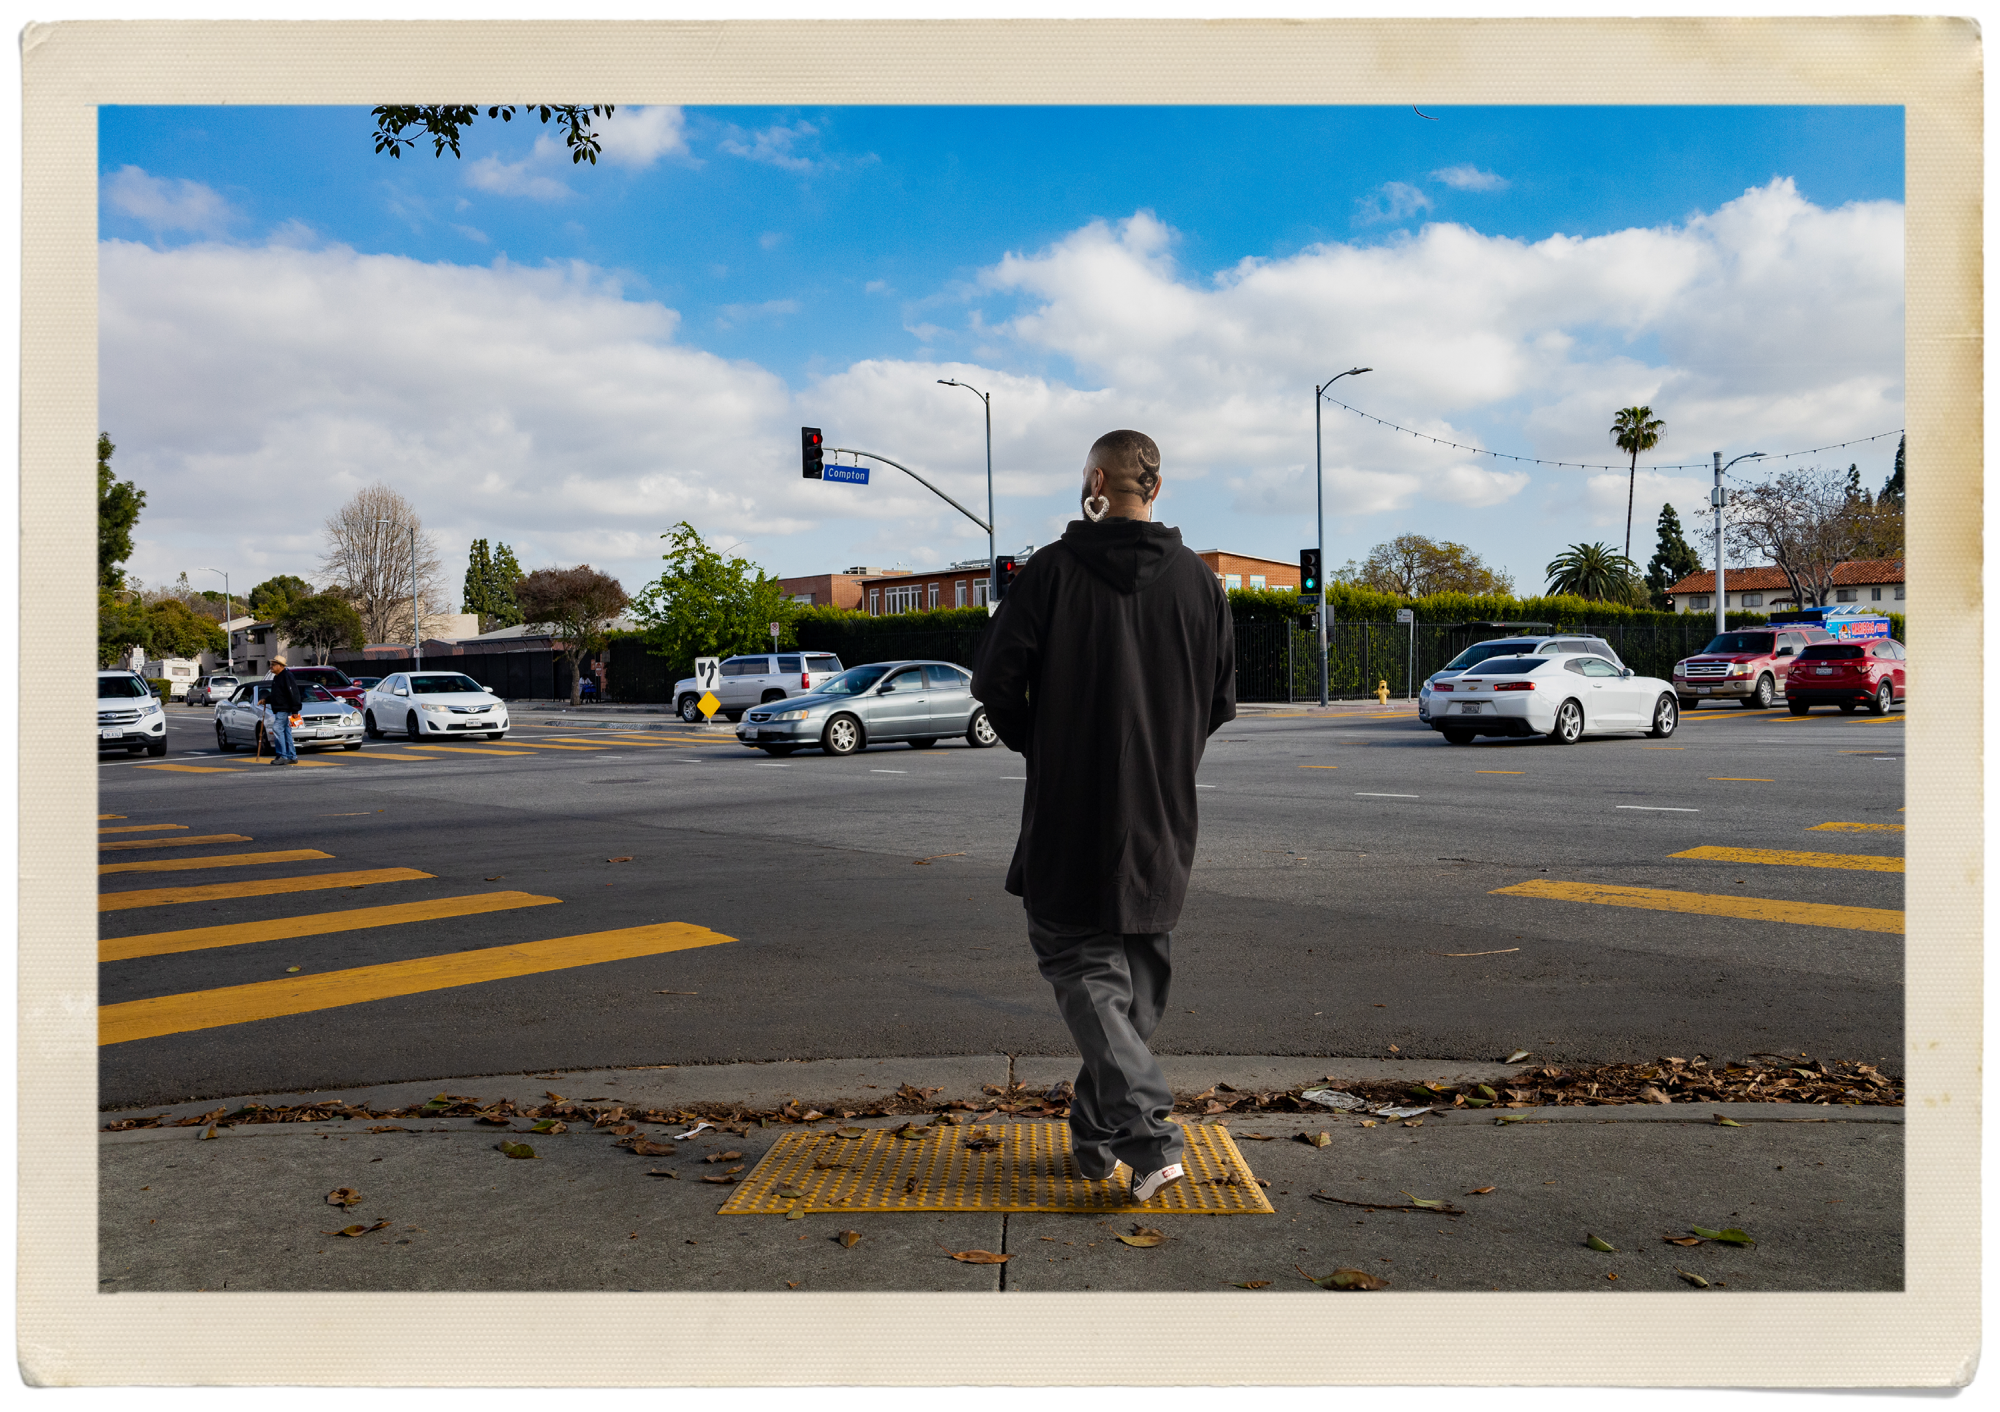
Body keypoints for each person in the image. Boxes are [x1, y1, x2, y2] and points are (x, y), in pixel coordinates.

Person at [972, 429, 1236, 1203]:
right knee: (1135, 991)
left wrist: (1043, 746)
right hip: (1162, 816)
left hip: (1070, 814)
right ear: (1156, 488)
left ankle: (1150, 1139)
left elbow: (995, 687)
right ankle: (1096, 1142)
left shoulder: (1049, 573)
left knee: (1083, 966)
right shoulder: (1200, 584)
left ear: (1095, 481)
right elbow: (1219, 704)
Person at [264, 656, 302, 765]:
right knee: (286, 732)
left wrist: (295, 709)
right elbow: (278, 694)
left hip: (285, 709)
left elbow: (294, 693)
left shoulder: (286, 676)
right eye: (271, 664)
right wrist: (266, 699)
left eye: (273, 665)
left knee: (277, 729)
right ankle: (291, 756)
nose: (271, 667)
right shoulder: (278, 677)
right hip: (283, 709)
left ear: (280, 666)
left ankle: (283, 755)